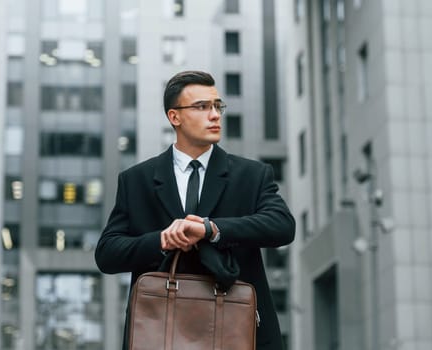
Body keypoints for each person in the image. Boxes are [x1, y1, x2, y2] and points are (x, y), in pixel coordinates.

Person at [94, 70, 295, 350]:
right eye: (202, 107)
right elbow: (107, 254)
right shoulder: (136, 180)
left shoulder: (252, 174)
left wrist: (211, 229)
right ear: (174, 117)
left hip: (236, 329)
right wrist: (162, 240)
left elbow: (282, 226)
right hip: (161, 332)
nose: (214, 115)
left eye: (217, 106)